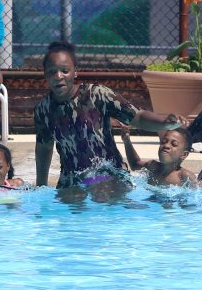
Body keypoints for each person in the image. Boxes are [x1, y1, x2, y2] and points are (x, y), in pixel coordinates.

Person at [34, 42, 186, 190]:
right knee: (69, 205)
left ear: (75, 72)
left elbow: (137, 116)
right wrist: (41, 186)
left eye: (64, 71)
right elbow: (44, 147)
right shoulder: (43, 110)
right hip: (72, 181)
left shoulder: (97, 95)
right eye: (52, 71)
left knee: (100, 192)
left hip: (110, 175)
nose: (58, 76)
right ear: (45, 74)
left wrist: (164, 123)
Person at [120, 126, 198, 187]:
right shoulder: (153, 166)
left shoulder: (184, 176)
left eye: (174, 144)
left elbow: (193, 203)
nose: (166, 145)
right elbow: (134, 164)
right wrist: (127, 141)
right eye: (163, 142)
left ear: (184, 155)